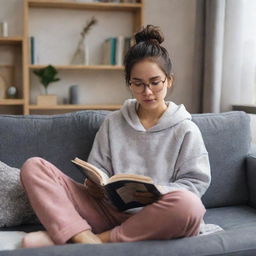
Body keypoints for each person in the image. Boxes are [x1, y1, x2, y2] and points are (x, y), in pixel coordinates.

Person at [20, 25, 211, 248]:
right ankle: (82, 234)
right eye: (137, 84)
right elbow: (98, 171)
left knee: (190, 206)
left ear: (169, 80)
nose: (147, 92)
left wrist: (159, 192)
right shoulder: (113, 123)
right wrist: (94, 185)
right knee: (34, 167)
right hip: (107, 212)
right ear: (129, 83)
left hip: (157, 216)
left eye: (155, 82)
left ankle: (92, 239)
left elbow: (195, 184)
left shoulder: (186, 129)